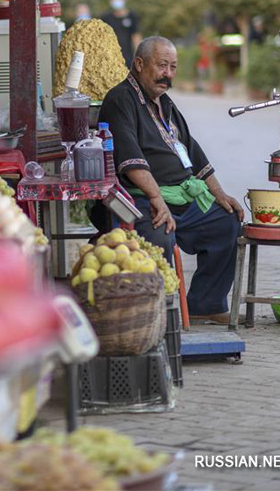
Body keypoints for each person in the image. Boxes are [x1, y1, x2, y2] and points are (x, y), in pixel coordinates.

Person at [98, 36, 244, 324]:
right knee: (157, 235)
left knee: (226, 222)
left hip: (182, 198)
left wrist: (219, 193)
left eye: (173, 67)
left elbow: (193, 151)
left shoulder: (165, 102)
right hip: (139, 199)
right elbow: (130, 158)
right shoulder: (120, 100)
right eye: (162, 65)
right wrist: (156, 199)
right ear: (139, 64)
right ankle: (158, 314)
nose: (168, 74)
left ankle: (205, 303)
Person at [100, 0, 141, 68]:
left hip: (128, 57)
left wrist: (139, 54)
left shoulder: (132, 16)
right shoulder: (106, 18)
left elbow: (136, 36)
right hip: (111, 57)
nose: (116, 1)